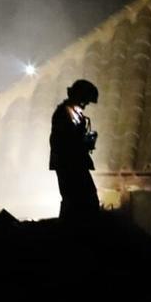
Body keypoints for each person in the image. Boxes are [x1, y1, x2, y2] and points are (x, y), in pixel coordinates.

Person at [49, 79, 100, 217]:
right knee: (78, 202)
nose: (87, 104)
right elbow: (64, 141)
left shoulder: (72, 112)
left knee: (82, 201)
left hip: (75, 163)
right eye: (86, 100)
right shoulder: (64, 113)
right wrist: (83, 142)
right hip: (70, 164)